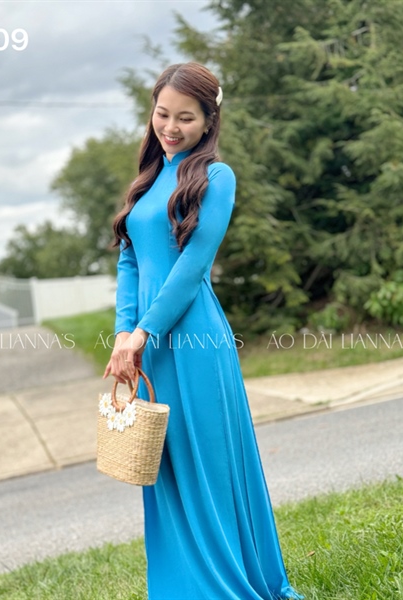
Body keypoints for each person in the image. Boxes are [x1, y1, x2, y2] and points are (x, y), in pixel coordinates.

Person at [103, 62, 303, 600]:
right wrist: (124, 334)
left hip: (193, 340)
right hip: (147, 343)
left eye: (185, 118)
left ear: (209, 120)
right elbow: (129, 262)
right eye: (162, 114)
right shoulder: (147, 181)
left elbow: (192, 268)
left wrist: (143, 332)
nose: (170, 127)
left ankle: (231, 584)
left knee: (208, 465)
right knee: (166, 467)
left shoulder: (216, 177)